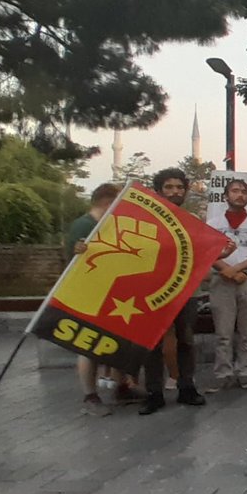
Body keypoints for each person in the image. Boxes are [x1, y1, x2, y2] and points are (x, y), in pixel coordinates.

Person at [140, 169, 212, 414]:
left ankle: (187, 387)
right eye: (169, 187)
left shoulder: (191, 220)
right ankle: (154, 392)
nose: (175, 192)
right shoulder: (145, 219)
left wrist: (220, 252)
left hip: (186, 290)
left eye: (179, 187)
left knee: (186, 340)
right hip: (154, 289)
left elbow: (201, 251)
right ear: (158, 191)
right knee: (152, 342)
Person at [68, 183, 139, 415]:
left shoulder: (108, 225)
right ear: (108, 202)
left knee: (116, 341)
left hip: (111, 293)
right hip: (90, 295)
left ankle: (121, 387)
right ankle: (90, 396)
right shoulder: (84, 225)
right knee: (89, 345)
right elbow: (73, 260)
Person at [206, 178, 247, 392]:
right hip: (222, 280)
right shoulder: (213, 224)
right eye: (234, 191)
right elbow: (208, 253)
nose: (239, 194)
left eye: (243, 191)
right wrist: (228, 271)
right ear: (226, 196)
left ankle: (245, 372)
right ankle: (223, 374)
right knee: (223, 333)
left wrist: (238, 269)